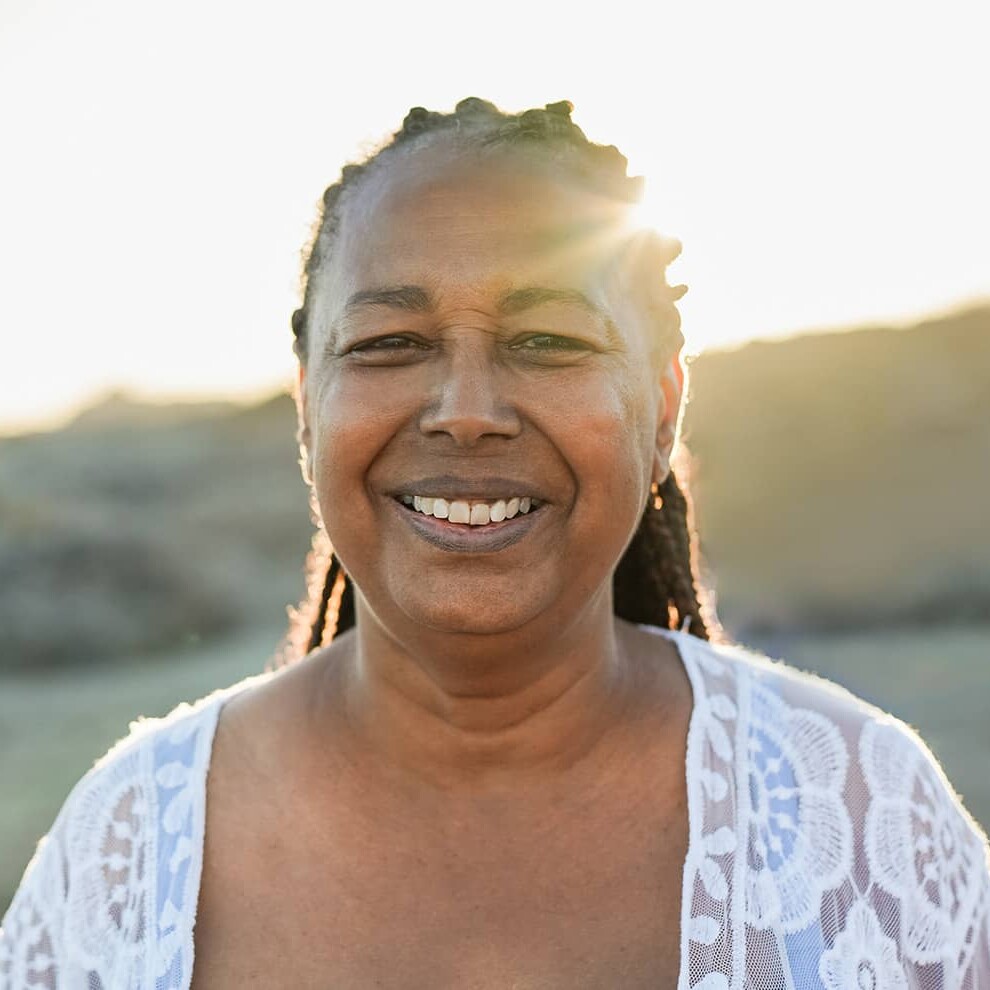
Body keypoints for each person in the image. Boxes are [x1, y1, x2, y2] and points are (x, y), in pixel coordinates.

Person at [2, 98, 988, 989]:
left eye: (550, 341)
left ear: (661, 412)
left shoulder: (863, 819)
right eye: (390, 345)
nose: (467, 413)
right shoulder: (127, 856)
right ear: (309, 414)